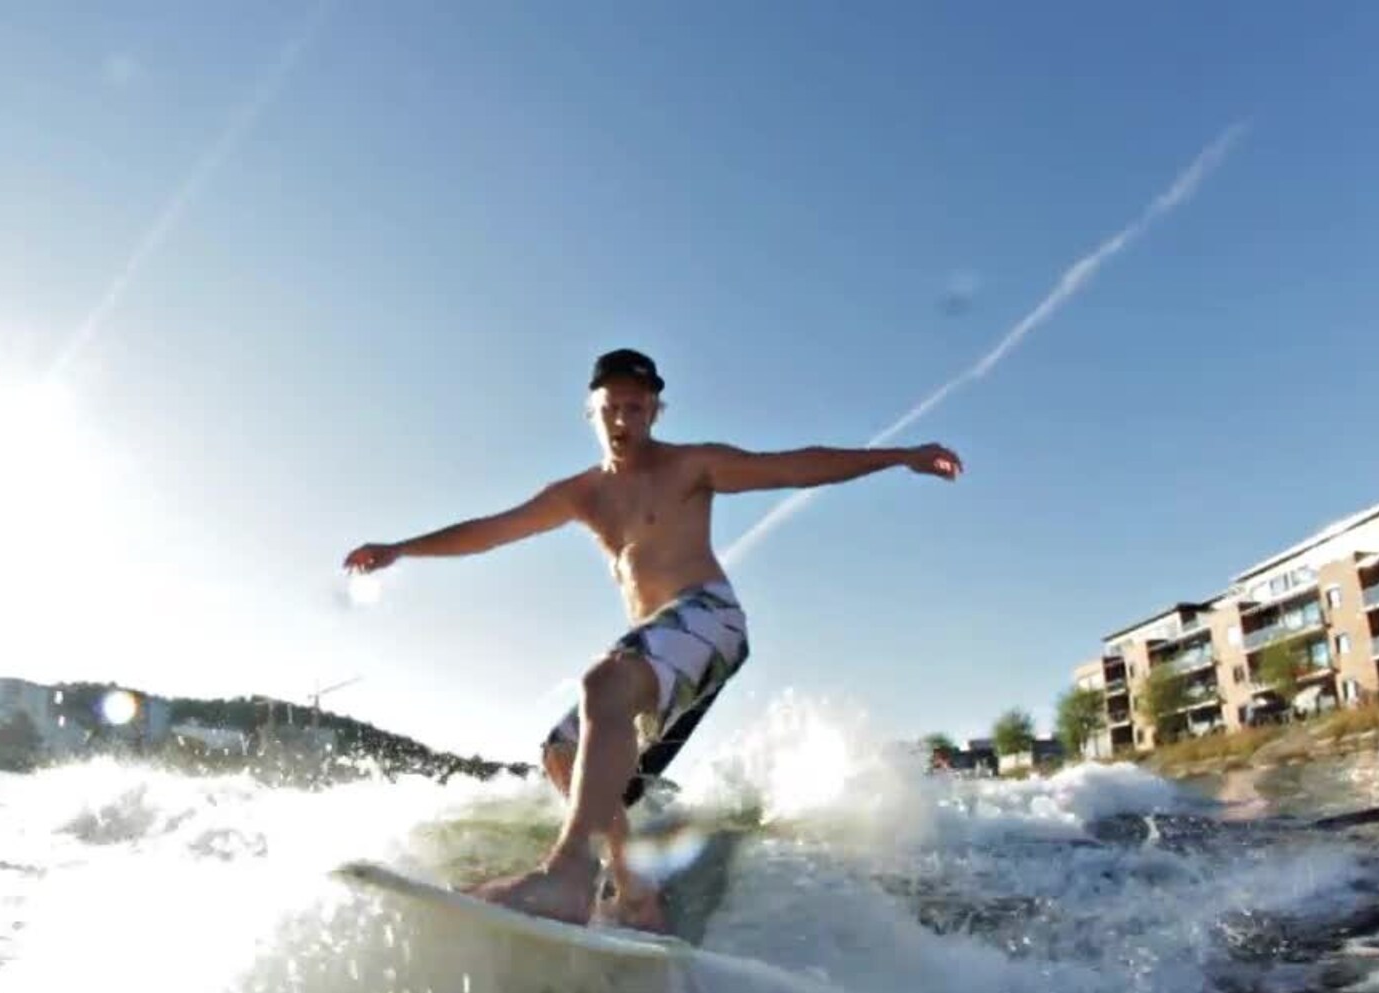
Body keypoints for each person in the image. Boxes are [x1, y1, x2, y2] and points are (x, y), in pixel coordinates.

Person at [342, 348, 963, 931]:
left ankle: (568, 877)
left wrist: (898, 456)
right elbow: (490, 530)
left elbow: (794, 465)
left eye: (635, 407)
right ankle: (635, 890)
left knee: (603, 683)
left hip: (710, 618)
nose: (622, 419)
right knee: (561, 751)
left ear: (654, 412)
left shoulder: (689, 466)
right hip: (655, 642)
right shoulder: (581, 495)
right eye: (610, 407)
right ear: (592, 412)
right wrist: (401, 549)